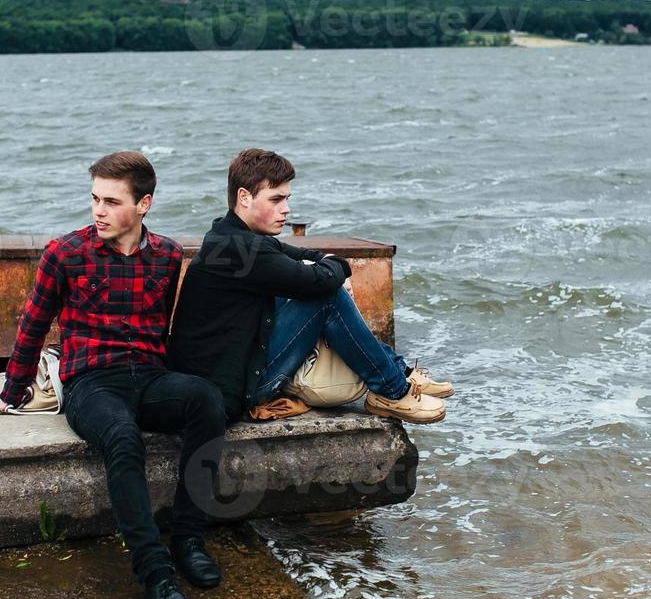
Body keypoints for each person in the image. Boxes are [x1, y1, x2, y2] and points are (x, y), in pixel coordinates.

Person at [0, 151, 225, 599]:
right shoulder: (64, 254)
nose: (98, 211)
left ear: (143, 204)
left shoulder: (168, 256)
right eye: (94, 199)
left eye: (111, 201)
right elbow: (33, 325)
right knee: (122, 437)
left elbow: (169, 328)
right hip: (90, 384)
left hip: (148, 377)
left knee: (208, 401)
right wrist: (11, 392)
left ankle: (188, 539)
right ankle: (156, 575)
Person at [168, 148, 451, 426]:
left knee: (316, 288)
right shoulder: (242, 250)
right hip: (233, 391)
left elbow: (296, 254)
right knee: (326, 297)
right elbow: (320, 281)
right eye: (276, 199)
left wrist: (326, 261)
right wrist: (338, 269)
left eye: (287, 199)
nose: (286, 209)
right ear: (244, 197)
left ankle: (400, 372)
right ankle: (394, 390)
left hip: (229, 371)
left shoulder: (227, 235)